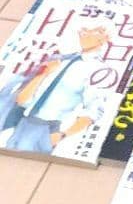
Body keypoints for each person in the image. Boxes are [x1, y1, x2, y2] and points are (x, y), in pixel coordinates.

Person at [2, 23, 110, 154]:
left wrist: (63, 135)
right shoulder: (60, 59)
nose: (84, 33)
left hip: (48, 127)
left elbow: (93, 110)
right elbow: (22, 98)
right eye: (84, 29)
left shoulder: (98, 70)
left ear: (104, 39)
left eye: (94, 31)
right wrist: (43, 73)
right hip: (23, 120)